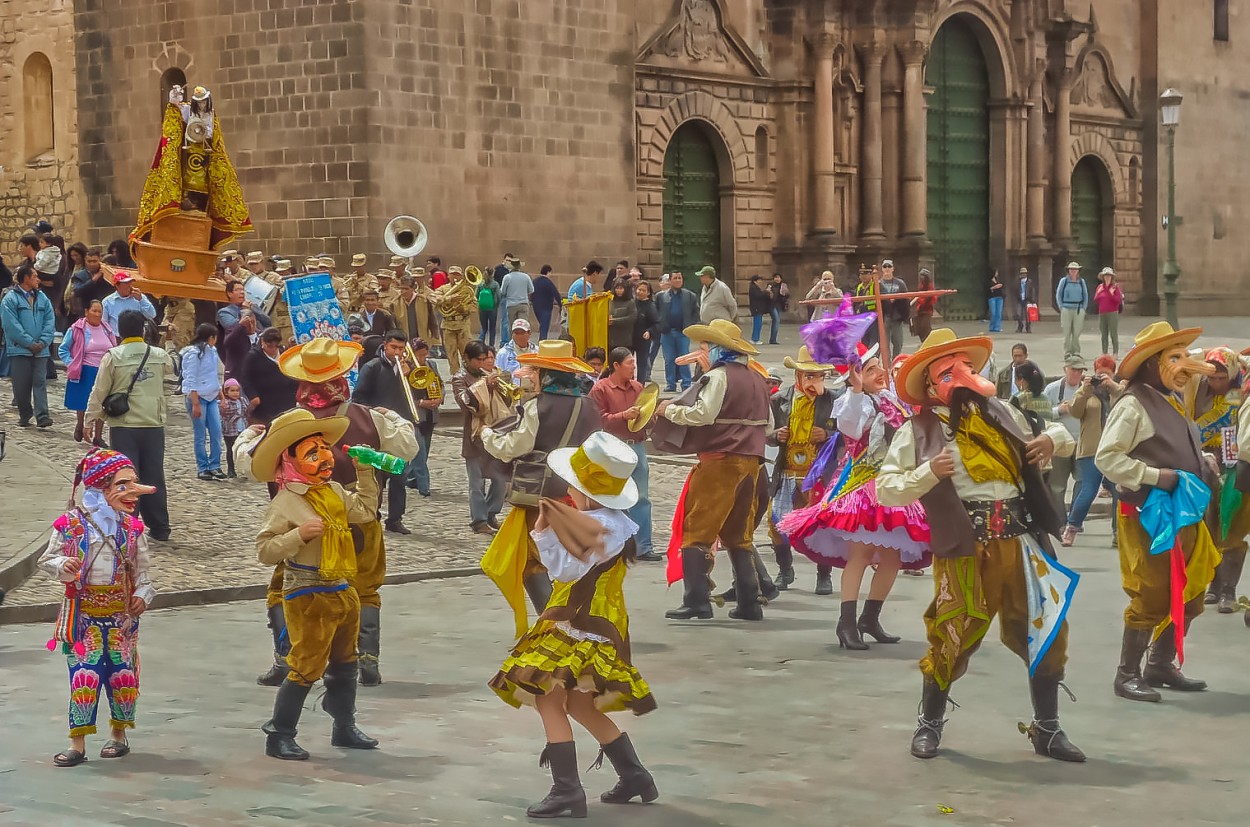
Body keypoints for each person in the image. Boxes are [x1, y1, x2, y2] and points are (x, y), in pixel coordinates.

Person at [878, 328, 1083, 762]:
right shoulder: (917, 431)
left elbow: (1063, 435)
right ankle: (929, 723)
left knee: (1045, 631)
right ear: (932, 386)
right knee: (951, 632)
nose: (964, 376)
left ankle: (1047, 729)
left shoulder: (1005, 411)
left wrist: (1051, 441)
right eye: (950, 371)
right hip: (966, 548)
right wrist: (929, 472)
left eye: (968, 367)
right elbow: (887, 489)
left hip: (1022, 543)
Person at [488, 431, 658, 818]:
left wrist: (543, 532)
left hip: (578, 624)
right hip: (601, 624)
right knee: (580, 706)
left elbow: (564, 572)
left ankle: (567, 790)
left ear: (586, 492)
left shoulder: (599, 527)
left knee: (548, 698)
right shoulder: (616, 522)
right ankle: (635, 776)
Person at [243, 338, 417, 688]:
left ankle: (287, 658)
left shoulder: (287, 425)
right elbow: (407, 448)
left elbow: (249, 464)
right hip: (360, 515)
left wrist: (248, 435)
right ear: (342, 375)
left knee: (284, 587)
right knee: (364, 589)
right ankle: (365, 659)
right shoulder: (370, 417)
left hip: (302, 518)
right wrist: (393, 416)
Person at [246, 410, 382, 760]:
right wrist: (297, 534)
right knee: (306, 665)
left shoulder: (334, 490)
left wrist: (365, 471)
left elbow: (365, 511)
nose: (324, 457)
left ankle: (344, 726)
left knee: (346, 663)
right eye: (312, 451)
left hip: (341, 588)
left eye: (324, 449)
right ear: (288, 459)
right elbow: (264, 549)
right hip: (306, 593)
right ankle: (279, 733)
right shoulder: (286, 501)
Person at [1095, 321, 1220, 703]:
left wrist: (1203, 461)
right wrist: (1154, 475)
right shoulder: (1132, 404)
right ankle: (1127, 673)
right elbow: (1107, 458)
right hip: (1147, 514)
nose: (1184, 366)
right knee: (1150, 593)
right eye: (1175, 358)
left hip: (1184, 513)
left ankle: (1160, 663)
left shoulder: (1170, 399)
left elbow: (1174, 444)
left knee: (1192, 591)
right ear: (1152, 364)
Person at [780, 346, 931, 647]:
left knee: (893, 557)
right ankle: (846, 622)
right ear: (855, 375)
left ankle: (870, 618)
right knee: (860, 554)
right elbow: (850, 427)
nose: (880, 373)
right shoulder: (853, 403)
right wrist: (858, 390)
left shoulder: (892, 401)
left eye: (879, 367)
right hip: (862, 486)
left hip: (892, 484)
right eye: (870, 369)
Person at [39, 449, 156, 768]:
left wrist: (143, 595)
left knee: (123, 677)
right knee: (83, 677)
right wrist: (65, 563)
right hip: (84, 618)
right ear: (101, 488)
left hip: (121, 618)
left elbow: (144, 573)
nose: (133, 491)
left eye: (134, 483)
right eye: (123, 484)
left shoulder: (133, 529)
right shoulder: (71, 524)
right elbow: (46, 559)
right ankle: (77, 743)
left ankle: (119, 736)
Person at [654, 320, 771, 621]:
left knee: (697, 529)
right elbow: (768, 425)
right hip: (752, 462)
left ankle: (697, 601)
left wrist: (670, 410)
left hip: (720, 460)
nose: (703, 350)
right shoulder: (757, 379)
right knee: (738, 533)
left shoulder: (719, 376)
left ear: (721, 349)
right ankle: (749, 602)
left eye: (707, 345)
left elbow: (703, 414)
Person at [481, 340, 604, 617]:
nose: (533, 376)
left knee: (531, 559)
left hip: (540, 494)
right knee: (570, 555)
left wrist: (487, 436)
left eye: (536, 371)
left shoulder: (539, 405)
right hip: (576, 492)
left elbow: (516, 446)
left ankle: (552, 621)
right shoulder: (589, 406)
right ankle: (576, 611)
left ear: (547, 374)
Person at [85, 310, 176, 542]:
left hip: (124, 425)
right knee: (154, 475)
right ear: (143, 330)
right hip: (153, 423)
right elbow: (173, 368)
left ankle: (128, 523)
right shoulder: (157, 354)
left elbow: (99, 391)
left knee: (125, 477)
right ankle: (160, 526)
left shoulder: (113, 356)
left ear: (120, 330)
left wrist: (89, 419)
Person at [765, 346, 842, 594]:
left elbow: (849, 433)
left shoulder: (833, 400)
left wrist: (829, 434)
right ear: (798, 376)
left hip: (817, 474)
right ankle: (785, 571)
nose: (815, 382)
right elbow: (766, 434)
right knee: (777, 523)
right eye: (810, 376)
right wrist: (777, 435)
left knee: (820, 525)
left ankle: (823, 575)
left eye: (819, 377)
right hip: (787, 472)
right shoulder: (780, 400)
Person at [1179, 348, 1248, 612]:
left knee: (1232, 528)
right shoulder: (1198, 390)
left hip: (1236, 466)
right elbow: (1188, 359)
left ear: (1231, 374)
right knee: (1208, 525)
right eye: (1212, 377)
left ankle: (1229, 591)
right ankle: (1215, 584)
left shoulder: (1240, 392)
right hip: (1205, 463)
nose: (1216, 382)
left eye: (1221, 377)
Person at [590, 347, 659, 561]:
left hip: (636, 446)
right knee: (612, 498)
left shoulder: (638, 387)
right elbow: (597, 420)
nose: (633, 367)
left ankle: (643, 546)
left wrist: (652, 416)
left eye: (634, 363)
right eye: (630, 363)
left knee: (642, 497)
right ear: (616, 365)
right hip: (612, 448)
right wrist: (623, 415)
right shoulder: (600, 389)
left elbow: (645, 415)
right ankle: (614, 547)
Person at [352, 330, 418, 535]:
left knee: (400, 476)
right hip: (379, 429)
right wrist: (374, 412)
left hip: (400, 428)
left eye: (401, 349)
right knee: (377, 477)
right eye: (394, 348)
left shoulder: (409, 368)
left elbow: (419, 393)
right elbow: (358, 398)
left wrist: (409, 377)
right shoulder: (372, 367)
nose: (397, 353)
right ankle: (374, 514)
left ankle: (395, 519)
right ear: (385, 345)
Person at [1061, 355, 1124, 546]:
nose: (1102, 377)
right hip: (1090, 449)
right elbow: (1075, 411)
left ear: (1113, 374)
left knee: (1117, 491)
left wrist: (1113, 387)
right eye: (1099, 373)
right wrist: (1086, 389)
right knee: (1088, 490)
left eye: (1107, 374)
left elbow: (1132, 404)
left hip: (1114, 449)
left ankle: (1117, 533)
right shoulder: (1086, 391)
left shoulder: (1119, 390)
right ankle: (1071, 527)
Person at [452, 340, 510, 535]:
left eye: (486, 359)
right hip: (475, 437)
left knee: (500, 479)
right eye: (479, 360)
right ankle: (479, 520)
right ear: (467, 359)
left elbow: (508, 400)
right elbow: (466, 403)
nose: (484, 363)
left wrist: (499, 386)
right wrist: (484, 385)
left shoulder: (492, 374)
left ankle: (492, 512)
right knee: (476, 483)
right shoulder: (459, 378)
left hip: (496, 433)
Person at [1, 265, 56, 427]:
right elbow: (11, 325)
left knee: (40, 382)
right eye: (34, 276)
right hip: (19, 349)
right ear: (25, 279)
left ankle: (42, 416)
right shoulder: (10, 299)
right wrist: (29, 343)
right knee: (21, 384)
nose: (38, 280)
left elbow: (49, 320)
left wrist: (44, 341)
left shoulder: (43, 298)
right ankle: (25, 414)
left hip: (41, 350)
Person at [60, 299, 116, 445]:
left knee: (102, 403)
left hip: (104, 370)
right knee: (84, 402)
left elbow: (114, 349)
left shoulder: (107, 329)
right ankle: (81, 424)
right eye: (94, 311)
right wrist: (72, 364)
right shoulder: (77, 328)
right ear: (86, 312)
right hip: (85, 369)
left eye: (100, 312)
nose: (97, 315)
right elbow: (63, 349)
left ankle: (98, 436)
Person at [181, 323, 226, 482]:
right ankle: (203, 467)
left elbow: (214, 375)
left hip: (212, 396)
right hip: (198, 398)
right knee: (200, 435)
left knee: (216, 431)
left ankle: (215, 464)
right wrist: (195, 403)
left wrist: (220, 394)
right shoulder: (193, 354)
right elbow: (190, 378)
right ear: (211, 337)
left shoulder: (212, 351)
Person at [1044, 355, 1087, 516]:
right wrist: (1059, 410)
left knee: (1083, 483)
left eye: (1080, 370)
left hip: (1082, 444)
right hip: (1060, 444)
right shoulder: (1052, 389)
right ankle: (1060, 519)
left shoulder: (1087, 390)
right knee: (1057, 486)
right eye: (1073, 370)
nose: (1076, 374)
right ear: (1065, 369)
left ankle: (1075, 518)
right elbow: (1042, 416)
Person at [403, 338, 439, 498]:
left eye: (425, 355)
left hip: (431, 414)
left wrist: (439, 399)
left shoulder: (432, 365)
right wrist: (422, 403)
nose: (422, 359)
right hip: (414, 414)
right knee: (420, 453)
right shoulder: (405, 368)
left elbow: (440, 384)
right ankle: (424, 486)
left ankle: (410, 478)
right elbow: (403, 393)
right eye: (419, 355)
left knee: (425, 447)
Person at [240, 327, 298, 426]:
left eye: (275, 346)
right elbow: (245, 378)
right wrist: (253, 397)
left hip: (286, 401)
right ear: (263, 342)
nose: (272, 349)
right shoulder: (253, 356)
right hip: (264, 405)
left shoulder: (285, 354)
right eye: (269, 346)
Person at [654, 271, 699, 392]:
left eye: (680, 277)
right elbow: (655, 312)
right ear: (670, 280)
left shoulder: (690, 296)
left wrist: (691, 325)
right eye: (675, 278)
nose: (678, 280)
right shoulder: (661, 296)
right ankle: (671, 384)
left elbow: (695, 312)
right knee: (669, 359)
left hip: (683, 333)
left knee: (684, 358)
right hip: (667, 333)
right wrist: (660, 325)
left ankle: (686, 383)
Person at [429, 265, 474, 374]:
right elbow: (433, 298)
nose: (455, 277)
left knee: (466, 353)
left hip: (463, 325)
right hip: (448, 324)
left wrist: (463, 308)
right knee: (451, 353)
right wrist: (448, 299)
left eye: (457, 275)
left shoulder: (466, 289)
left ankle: (468, 375)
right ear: (448, 276)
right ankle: (455, 376)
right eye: (452, 274)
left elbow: (475, 306)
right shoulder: (443, 289)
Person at [876, 260, 910, 358]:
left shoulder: (900, 283)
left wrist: (905, 315)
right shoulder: (878, 283)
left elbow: (906, 299)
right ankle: (888, 366)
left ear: (893, 268)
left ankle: (896, 361)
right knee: (884, 344)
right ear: (882, 269)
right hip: (884, 316)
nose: (887, 269)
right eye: (885, 266)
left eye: (889, 266)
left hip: (897, 316)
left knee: (898, 342)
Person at [1055, 262, 1089, 358]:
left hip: (1078, 308)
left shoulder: (1081, 282)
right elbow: (1058, 294)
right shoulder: (1064, 281)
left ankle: (1076, 351)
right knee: (1066, 332)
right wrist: (1061, 307)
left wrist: (1084, 308)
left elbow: (1085, 295)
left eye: (1075, 270)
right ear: (1068, 271)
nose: (1073, 271)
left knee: (1077, 332)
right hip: (1066, 308)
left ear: (1078, 271)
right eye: (1071, 270)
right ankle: (1067, 352)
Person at [499, 258, 535, 346]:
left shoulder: (507, 277)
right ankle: (523, 344)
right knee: (524, 326)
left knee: (512, 327)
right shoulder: (526, 276)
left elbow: (502, 292)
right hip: (523, 304)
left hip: (511, 305)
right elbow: (531, 290)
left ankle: (512, 345)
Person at [70, 248, 115, 313]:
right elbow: (77, 291)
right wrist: (93, 280)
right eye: (89, 261)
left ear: (100, 260)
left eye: (94, 261)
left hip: (107, 308)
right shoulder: (79, 275)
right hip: (88, 310)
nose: (92, 264)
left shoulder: (107, 273)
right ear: (85, 260)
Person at [632, 279, 660, 383]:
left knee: (642, 364)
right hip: (630, 337)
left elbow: (656, 323)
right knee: (627, 362)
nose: (640, 292)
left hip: (643, 339)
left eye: (643, 290)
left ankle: (640, 385)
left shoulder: (650, 306)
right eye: (639, 289)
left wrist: (649, 331)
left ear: (648, 292)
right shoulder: (632, 303)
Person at [220, 378, 249, 478]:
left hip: (242, 428)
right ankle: (231, 470)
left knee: (243, 450)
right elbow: (223, 413)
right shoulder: (226, 403)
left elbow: (247, 411)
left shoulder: (242, 400)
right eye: (232, 391)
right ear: (226, 392)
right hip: (230, 429)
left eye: (237, 390)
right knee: (230, 449)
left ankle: (244, 469)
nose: (235, 393)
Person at [1093, 267, 1124, 356]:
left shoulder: (1115, 287)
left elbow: (1118, 300)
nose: (1107, 277)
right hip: (1102, 312)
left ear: (1111, 277)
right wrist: (1099, 293)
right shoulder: (1100, 287)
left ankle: (1115, 352)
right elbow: (1096, 299)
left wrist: (1111, 293)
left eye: (1109, 276)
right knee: (1104, 334)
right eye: (1105, 276)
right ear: (1103, 277)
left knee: (1113, 333)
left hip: (1112, 313)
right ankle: (1104, 352)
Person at [532, 264, 563, 340]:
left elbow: (531, 292)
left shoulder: (535, 281)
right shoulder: (548, 282)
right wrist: (560, 304)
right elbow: (556, 293)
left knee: (542, 324)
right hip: (546, 308)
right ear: (548, 272)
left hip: (536, 306)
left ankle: (541, 341)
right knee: (544, 326)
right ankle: (542, 342)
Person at [608, 280, 638, 353]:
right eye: (617, 288)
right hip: (611, 340)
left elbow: (632, 318)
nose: (619, 291)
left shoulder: (630, 302)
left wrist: (614, 321)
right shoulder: (610, 301)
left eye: (621, 288)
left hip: (625, 340)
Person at [476, 268, 501, 346]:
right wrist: (497, 304)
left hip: (482, 308)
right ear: (492, 274)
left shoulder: (480, 284)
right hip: (492, 308)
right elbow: (499, 296)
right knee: (492, 328)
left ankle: (480, 344)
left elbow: (476, 295)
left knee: (484, 328)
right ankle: (491, 346)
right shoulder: (495, 284)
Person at [911, 269, 936, 342]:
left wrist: (925, 300)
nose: (921, 278)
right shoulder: (921, 285)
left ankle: (930, 341)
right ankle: (924, 341)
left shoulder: (930, 286)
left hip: (927, 310)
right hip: (919, 309)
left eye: (923, 276)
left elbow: (933, 298)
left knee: (925, 326)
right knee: (918, 328)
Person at [748, 275, 770, 345]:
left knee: (758, 323)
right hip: (756, 308)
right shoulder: (753, 288)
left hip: (757, 308)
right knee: (758, 324)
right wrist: (766, 291)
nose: (760, 282)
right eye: (759, 280)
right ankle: (755, 338)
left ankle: (755, 338)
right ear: (755, 281)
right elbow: (758, 296)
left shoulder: (754, 287)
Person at [767, 273, 788, 344]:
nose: (777, 279)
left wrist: (785, 292)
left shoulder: (783, 285)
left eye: (778, 277)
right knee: (776, 320)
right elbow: (767, 294)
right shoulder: (770, 285)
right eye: (776, 277)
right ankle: (773, 339)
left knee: (776, 321)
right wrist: (769, 292)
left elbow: (787, 295)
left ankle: (773, 339)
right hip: (771, 305)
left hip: (779, 305)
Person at [1015, 267, 1036, 334]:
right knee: (1018, 314)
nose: (1023, 275)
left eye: (1024, 273)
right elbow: (1015, 290)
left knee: (1028, 315)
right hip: (1020, 299)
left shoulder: (1029, 282)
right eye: (1022, 273)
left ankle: (1028, 327)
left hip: (1028, 300)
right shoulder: (1018, 282)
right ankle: (1020, 325)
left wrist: (1033, 300)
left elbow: (1032, 291)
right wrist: (1017, 296)